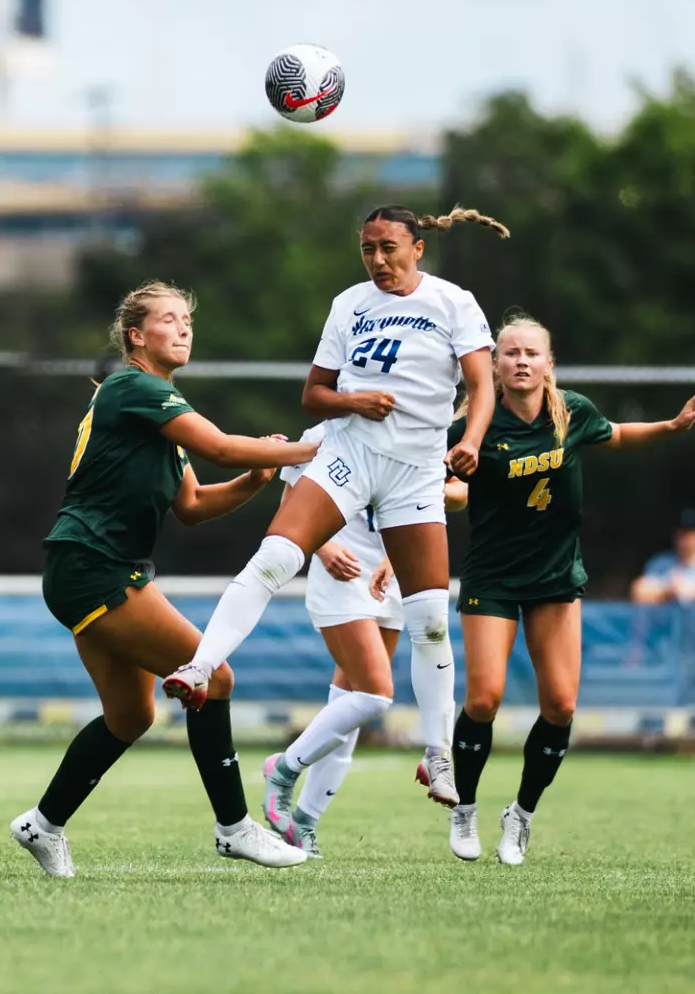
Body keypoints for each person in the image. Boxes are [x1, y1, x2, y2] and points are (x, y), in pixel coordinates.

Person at [165, 205, 507, 808]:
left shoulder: (454, 302)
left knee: (429, 616)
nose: (377, 260)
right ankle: (199, 667)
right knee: (274, 556)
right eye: (367, 249)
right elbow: (313, 394)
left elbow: (481, 387)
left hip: (415, 473)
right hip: (350, 456)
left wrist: (472, 443)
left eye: (388, 247)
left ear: (417, 247)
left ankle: (438, 756)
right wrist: (356, 402)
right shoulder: (350, 303)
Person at [10, 281, 319, 878]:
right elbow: (226, 448)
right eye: (169, 320)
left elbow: (196, 503)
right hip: (92, 565)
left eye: (187, 321)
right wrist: (317, 447)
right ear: (136, 336)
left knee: (132, 716)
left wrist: (257, 478)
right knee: (216, 676)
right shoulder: (135, 388)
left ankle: (42, 825)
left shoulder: (157, 407)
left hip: (89, 567)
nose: (184, 329)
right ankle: (234, 828)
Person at [447, 314, 695, 865]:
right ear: (492, 365)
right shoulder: (473, 425)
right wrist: (452, 486)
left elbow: (616, 435)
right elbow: (440, 485)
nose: (521, 360)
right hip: (492, 577)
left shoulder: (572, 411)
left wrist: (671, 426)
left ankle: (520, 815)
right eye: (509, 352)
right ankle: (465, 809)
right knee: (483, 698)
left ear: (550, 364)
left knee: (562, 705)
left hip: (554, 579)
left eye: (531, 353)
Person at [258, 422, 409, 858]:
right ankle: (283, 767)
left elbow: (422, 507)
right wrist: (322, 548)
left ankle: (304, 822)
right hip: (338, 575)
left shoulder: (413, 428)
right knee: (376, 695)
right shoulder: (322, 432)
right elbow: (291, 510)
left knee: (351, 705)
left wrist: (395, 558)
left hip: (389, 576)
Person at [631, 509, 695, 605]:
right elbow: (639, 592)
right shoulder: (660, 563)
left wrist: (693, 594)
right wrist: (668, 593)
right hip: (667, 624)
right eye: (681, 534)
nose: (685, 540)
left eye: (691, 534)